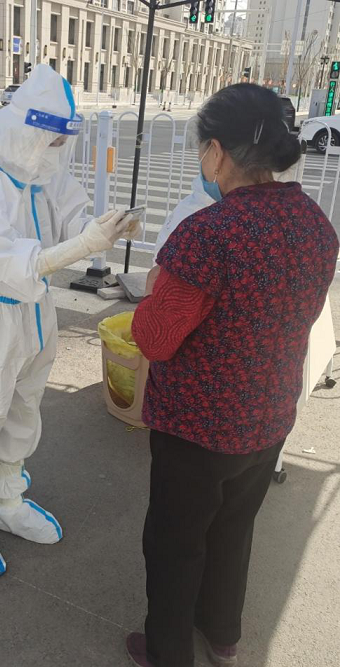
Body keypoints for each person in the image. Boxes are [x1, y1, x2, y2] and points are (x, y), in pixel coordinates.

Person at [127, 84, 339, 667]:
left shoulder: (208, 234)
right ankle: (222, 633)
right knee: (234, 530)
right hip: (269, 417)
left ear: (217, 151)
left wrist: (154, 293)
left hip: (197, 429)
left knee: (175, 543)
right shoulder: (314, 223)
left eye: (203, 149)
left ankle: (168, 652)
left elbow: (155, 337)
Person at [0, 64, 139, 578]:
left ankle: (8, 498)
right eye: (52, 139)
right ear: (28, 130)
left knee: (22, 406)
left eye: (63, 141)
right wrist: (82, 247)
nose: (57, 150)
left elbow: (72, 213)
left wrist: (102, 227)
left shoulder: (42, 170)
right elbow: (2, 260)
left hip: (31, 312)